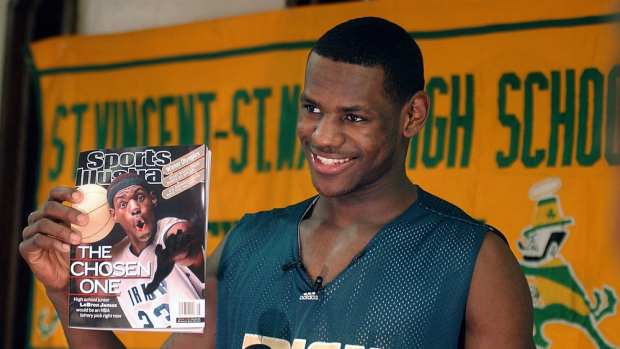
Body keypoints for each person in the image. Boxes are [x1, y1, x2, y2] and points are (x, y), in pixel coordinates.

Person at [20, 17, 534, 348]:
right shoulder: (248, 244)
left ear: (412, 115)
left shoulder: (473, 260)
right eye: (312, 109)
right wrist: (67, 293)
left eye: (354, 117)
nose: (324, 136)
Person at [104, 172, 204, 329]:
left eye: (140, 198)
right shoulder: (113, 258)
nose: (135, 208)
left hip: (194, 337)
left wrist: (177, 249)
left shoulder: (171, 228)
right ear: (113, 214)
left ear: (153, 199)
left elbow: (183, 232)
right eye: (123, 204)